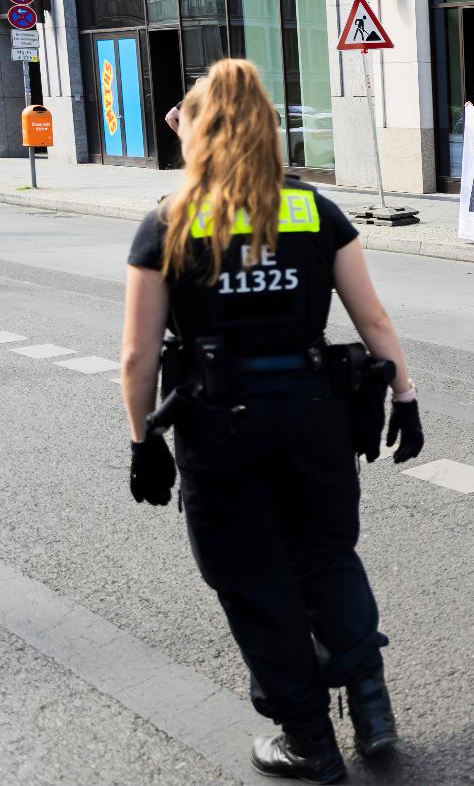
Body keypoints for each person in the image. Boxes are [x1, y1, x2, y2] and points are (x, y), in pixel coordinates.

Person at [120, 59, 423, 783]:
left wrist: (142, 441)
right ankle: (371, 707)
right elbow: (374, 318)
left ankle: (310, 741)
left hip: (219, 426)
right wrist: (405, 396)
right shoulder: (314, 210)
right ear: (268, 125)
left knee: (252, 578)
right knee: (326, 556)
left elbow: (137, 355)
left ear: (196, 130)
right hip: (314, 416)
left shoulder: (169, 220)